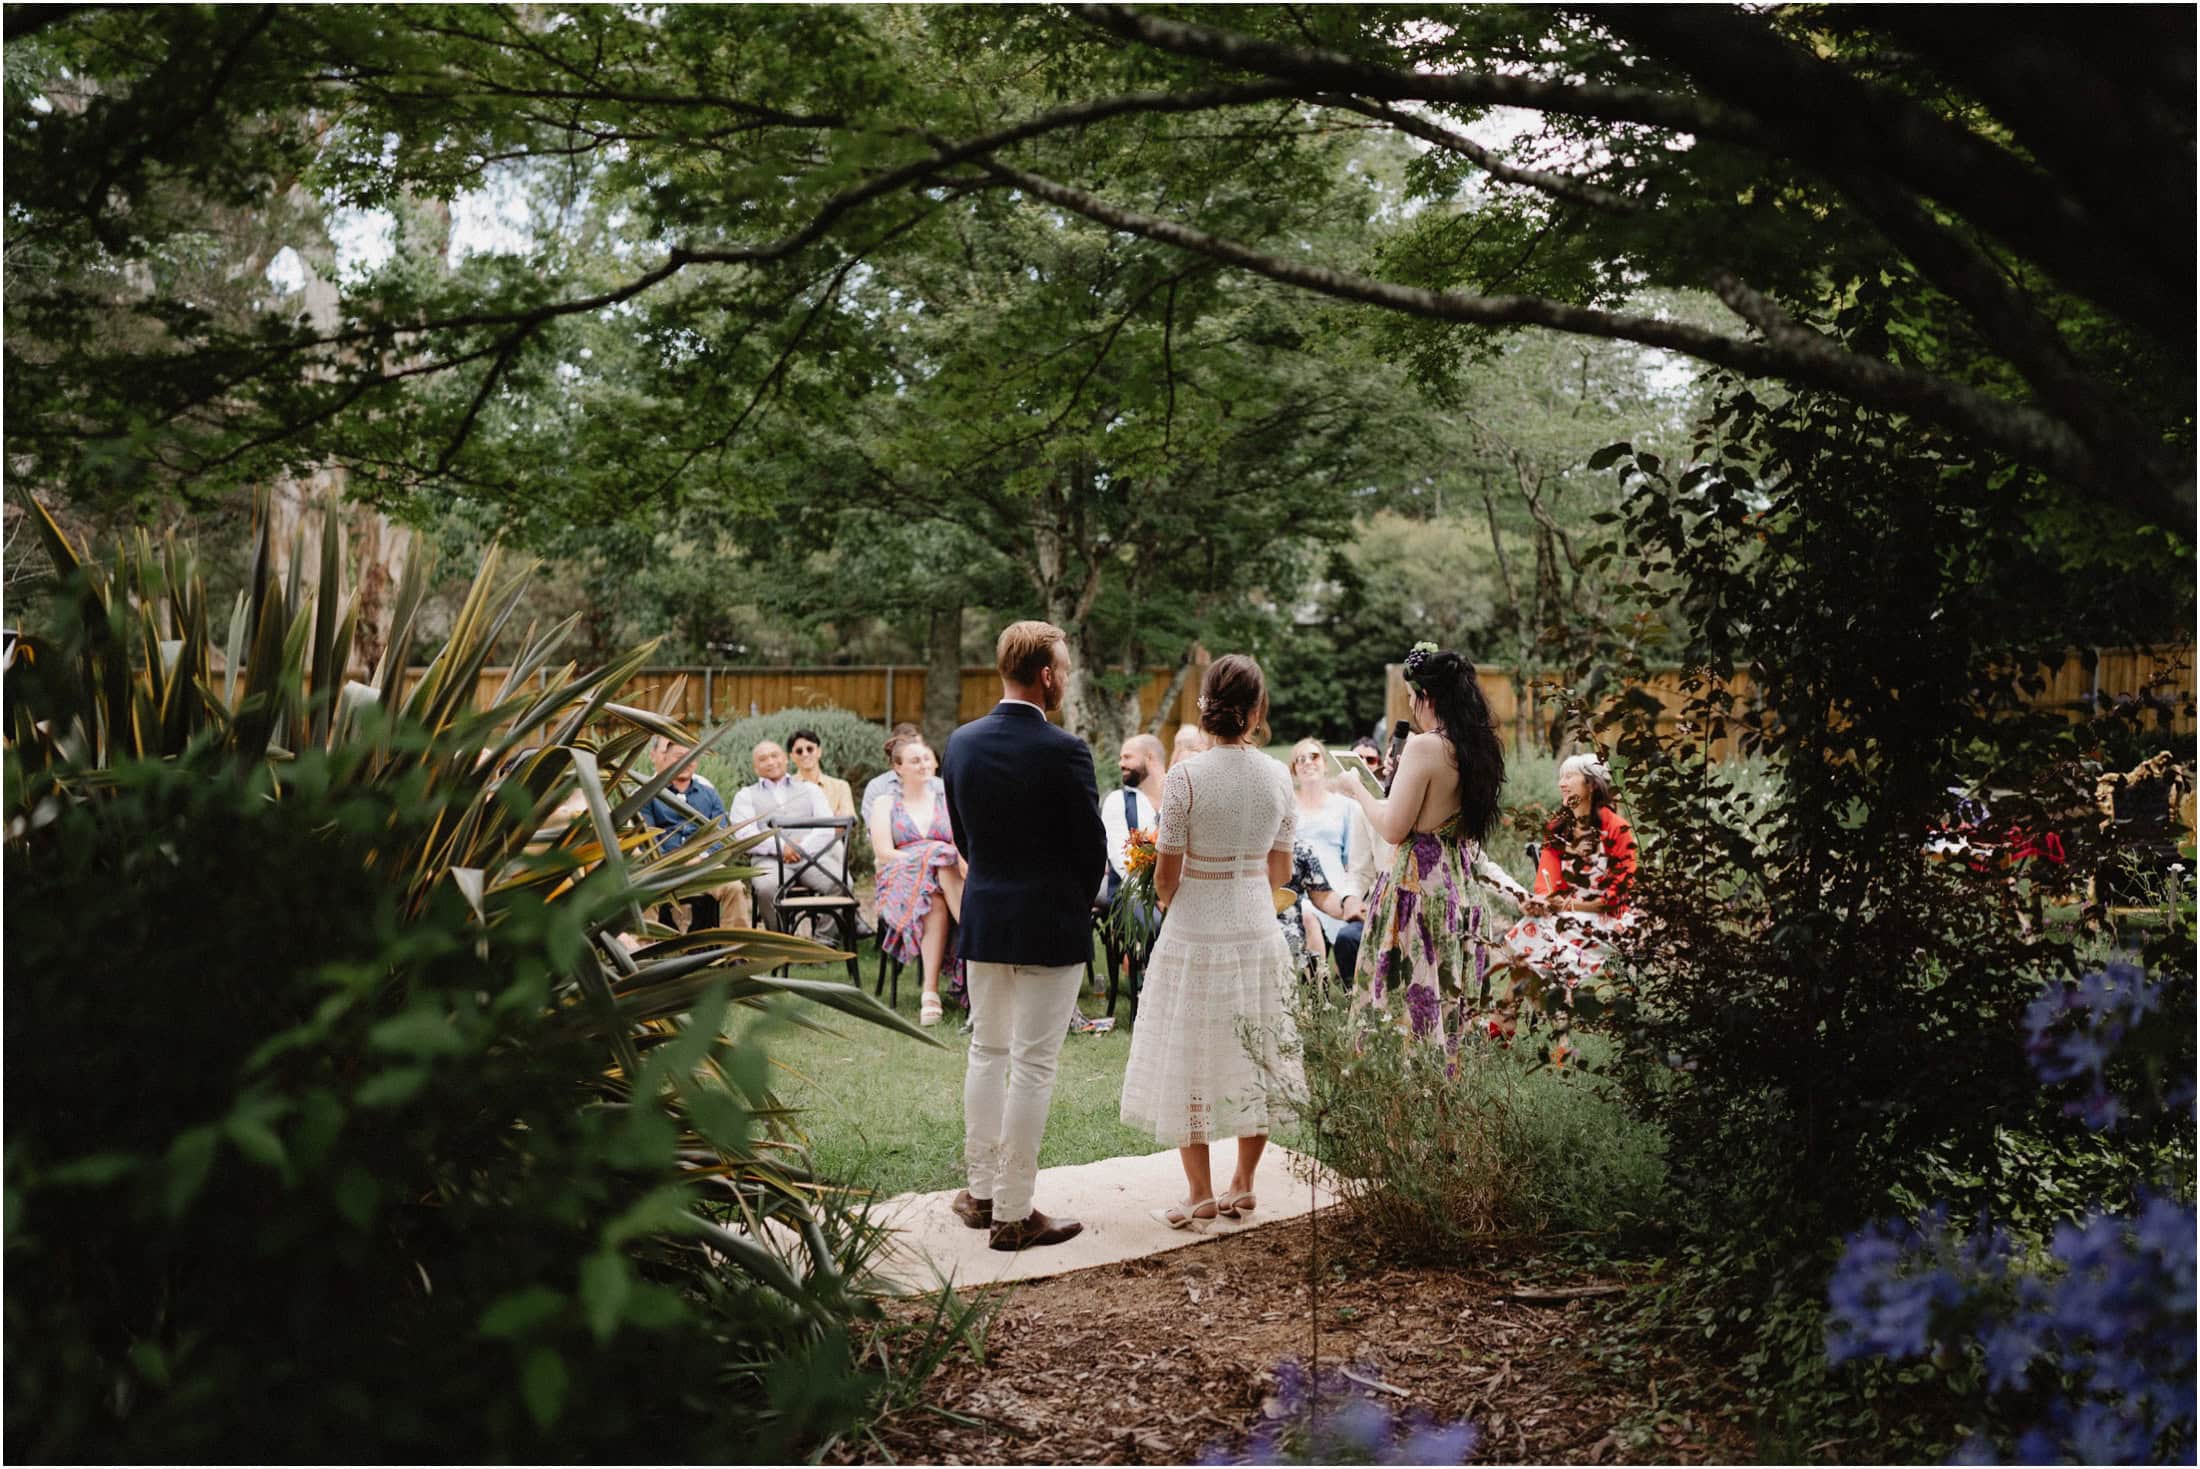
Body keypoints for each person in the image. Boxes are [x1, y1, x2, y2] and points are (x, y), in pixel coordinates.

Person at [942, 620, 1109, 1252]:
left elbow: (963, 838)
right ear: (1045, 674)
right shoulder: (1066, 750)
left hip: (984, 916)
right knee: (1033, 1065)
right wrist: (1072, 903)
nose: (1065, 678)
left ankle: (980, 1193)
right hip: (1050, 923)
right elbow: (1091, 850)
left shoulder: (959, 743)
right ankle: (1013, 1213)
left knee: (987, 1052)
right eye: (1063, 668)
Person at [1119, 654, 1301, 1231]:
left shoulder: (1186, 777)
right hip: (1256, 923)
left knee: (1189, 1053)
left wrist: (1174, 897)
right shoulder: (1278, 776)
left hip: (1196, 928)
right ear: (1256, 710)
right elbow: (1281, 872)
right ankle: (1242, 1184)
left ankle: (1199, 1192)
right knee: (1259, 1048)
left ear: (1207, 705)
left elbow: (1166, 877)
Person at [1330, 644, 1529, 1047]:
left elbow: (1393, 827)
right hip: (1459, 888)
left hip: (1417, 891)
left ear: (1429, 698)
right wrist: (1398, 779)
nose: (1412, 709)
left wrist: (1356, 789)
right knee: (1447, 1008)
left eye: (1412, 700)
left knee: (1406, 1010)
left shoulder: (1425, 746)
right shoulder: (1479, 746)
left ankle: (1403, 1098)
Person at [1504, 753, 1639, 993]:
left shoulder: (1617, 829)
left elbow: (1617, 896)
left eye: (1569, 777)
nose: (1561, 784)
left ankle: (1543, 1011)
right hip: (1567, 915)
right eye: (1560, 777)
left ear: (1591, 784)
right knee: (1534, 926)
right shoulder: (1558, 828)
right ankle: (1532, 1012)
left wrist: (1566, 906)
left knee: (1536, 936)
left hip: (1611, 920)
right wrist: (1542, 902)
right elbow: (1546, 881)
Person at [871, 734, 967, 1026]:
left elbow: (962, 845)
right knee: (938, 860)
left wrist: (942, 858)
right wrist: (928, 855)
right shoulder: (885, 802)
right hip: (900, 875)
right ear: (898, 767)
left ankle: (931, 993)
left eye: (927, 758)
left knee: (937, 887)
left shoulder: (948, 800)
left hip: (945, 878)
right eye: (915, 760)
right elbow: (885, 853)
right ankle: (977, 933)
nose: (923, 764)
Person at [1286, 737, 1376, 981]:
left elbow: (1354, 858)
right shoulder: (1286, 807)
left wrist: (1351, 895)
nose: (1307, 762)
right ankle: (1319, 991)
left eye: (1314, 756)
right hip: (1298, 888)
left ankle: (1344, 980)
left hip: (1334, 886)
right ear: (1294, 770)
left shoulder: (1345, 807)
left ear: (1325, 764)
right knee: (1306, 913)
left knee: (1343, 922)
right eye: (1300, 759)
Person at [725, 739, 839, 930]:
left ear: (786, 759)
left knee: (842, 883)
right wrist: (780, 848)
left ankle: (824, 943)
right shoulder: (745, 795)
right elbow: (744, 836)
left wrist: (800, 849)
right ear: (755, 768)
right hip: (768, 861)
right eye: (763, 759)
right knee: (766, 888)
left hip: (811, 857)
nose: (770, 762)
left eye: (774, 756)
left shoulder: (810, 789)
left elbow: (826, 826)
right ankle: (781, 942)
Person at [638, 735, 728, 932]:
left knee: (735, 887)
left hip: (704, 866)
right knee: (643, 891)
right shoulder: (650, 794)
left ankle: (738, 953)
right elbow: (647, 839)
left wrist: (702, 857)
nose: (687, 762)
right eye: (679, 757)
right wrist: (672, 862)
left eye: (692, 756)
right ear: (665, 759)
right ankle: (642, 952)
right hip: (664, 869)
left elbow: (722, 834)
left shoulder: (708, 793)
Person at [1101, 733, 1165, 903]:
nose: (1121, 764)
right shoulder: (1117, 801)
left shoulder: (1176, 797)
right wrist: (1152, 896)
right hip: (1130, 895)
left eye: (1127, 757)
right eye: (1121, 758)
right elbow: (1120, 859)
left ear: (1149, 757)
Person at [861, 723, 940, 825]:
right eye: (915, 759)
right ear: (897, 763)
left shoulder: (940, 787)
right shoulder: (877, 788)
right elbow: (873, 830)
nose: (923, 765)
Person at [788, 727, 856, 818]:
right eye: (799, 751)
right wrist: (832, 819)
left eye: (810, 749)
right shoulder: (786, 787)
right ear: (792, 757)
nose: (805, 754)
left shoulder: (840, 787)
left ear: (819, 752)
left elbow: (847, 822)